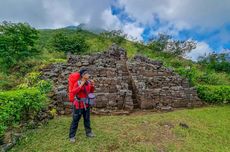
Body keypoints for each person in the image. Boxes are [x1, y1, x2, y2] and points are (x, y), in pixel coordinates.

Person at [69, 68, 95, 143]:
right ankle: (72, 136)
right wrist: (81, 85)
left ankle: (89, 133)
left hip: (86, 104)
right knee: (75, 120)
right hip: (78, 105)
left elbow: (91, 91)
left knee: (87, 119)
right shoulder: (78, 82)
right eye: (87, 74)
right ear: (83, 75)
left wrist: (92, 85)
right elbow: (73, 92)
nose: (88, 75)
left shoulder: (89, 82)